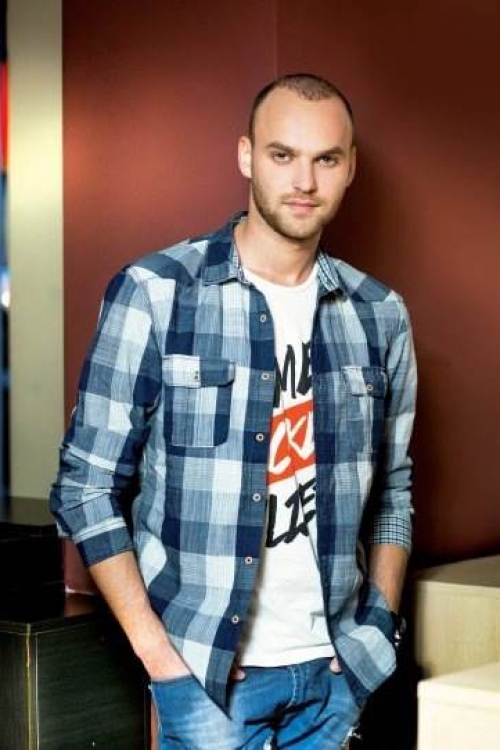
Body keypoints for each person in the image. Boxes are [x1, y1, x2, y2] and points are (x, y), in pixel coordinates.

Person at [51, 73, 417, 749]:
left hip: (337, 673)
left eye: (326, 159)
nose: (304, 181)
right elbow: (86, 486)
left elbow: (393, 490)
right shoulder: (157, 293)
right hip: (206, 679)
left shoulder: (379, 314)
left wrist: (377, 631)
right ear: (246, 156)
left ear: (351, 168)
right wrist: (162, 658)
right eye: (283, 155)